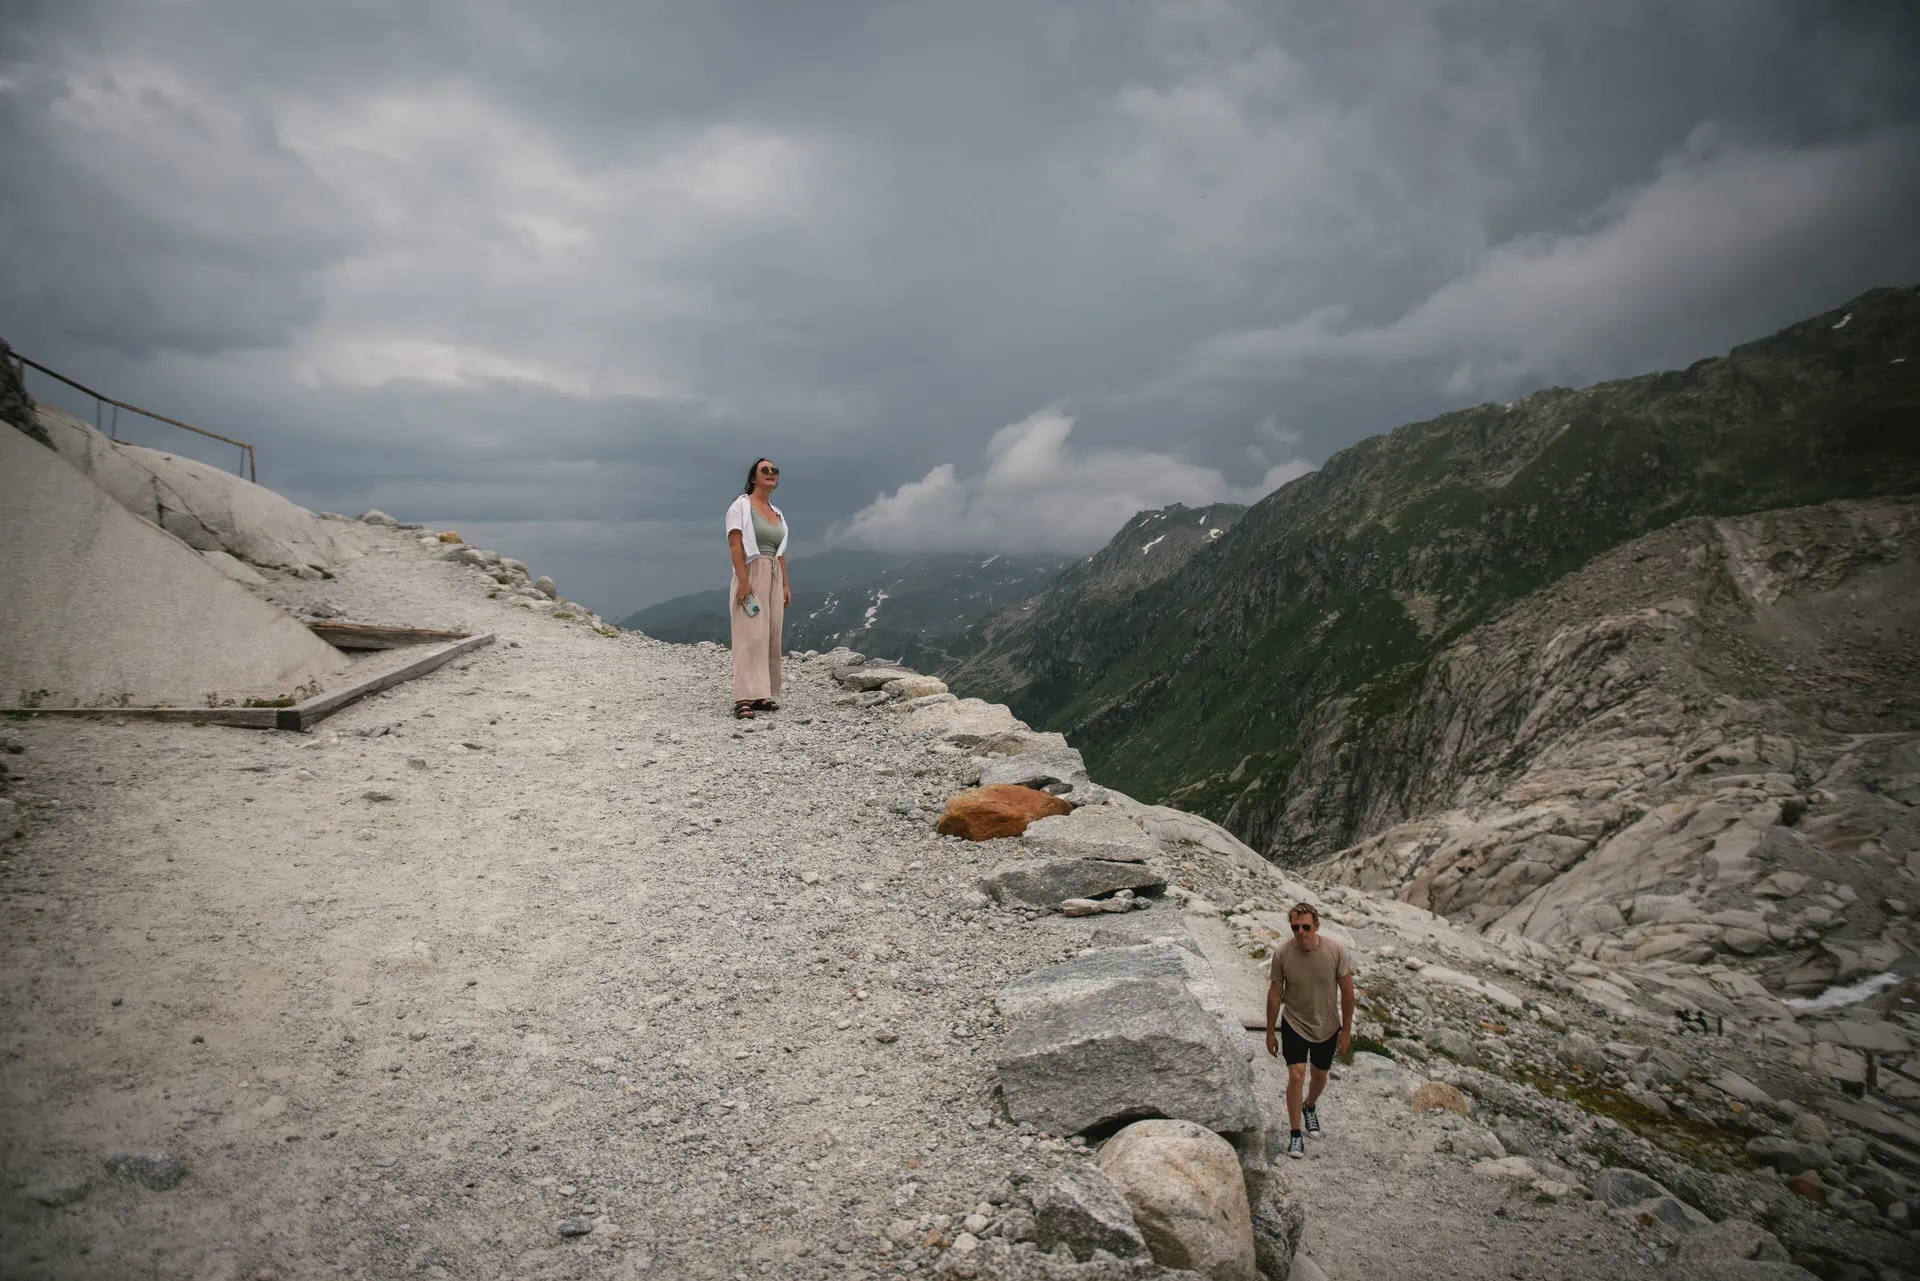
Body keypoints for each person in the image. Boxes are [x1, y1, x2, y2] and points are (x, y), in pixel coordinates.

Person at [1264, 901, 1355, 1159]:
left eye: (1305, 926)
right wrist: (1271, 1030)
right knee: (1296, 1075)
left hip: (1326, 1025)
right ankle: (1295, 1135)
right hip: (1294, 1022)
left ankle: (1310, 1106)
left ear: (1316, 925)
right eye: (1295, 928)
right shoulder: (1282, 954)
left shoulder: (1336, 951)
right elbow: (1274, 994)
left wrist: (1346, 1029)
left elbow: (1347, 993)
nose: (1301, 932)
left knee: (1319, 1076)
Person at [724, 458, 791, 720]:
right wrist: (743, 580)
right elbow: (734, 543)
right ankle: (742, 697)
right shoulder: (740, 506)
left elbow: (781, 551)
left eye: (775, 470)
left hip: (773, 572)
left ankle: (762, 693)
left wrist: (785, 583)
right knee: (749, 634)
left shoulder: (777, 513)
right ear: (753, 478)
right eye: (765, 470)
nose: (771, 474)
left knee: (769, 633)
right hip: (752, 571)